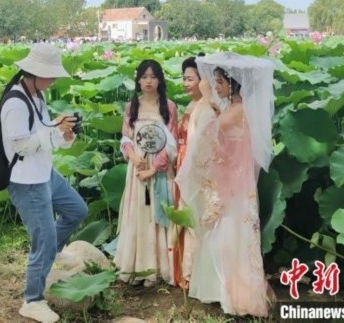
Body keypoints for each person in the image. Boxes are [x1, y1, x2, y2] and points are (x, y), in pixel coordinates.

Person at [175, 52, 275, 317]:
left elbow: (208, 134)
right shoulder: (234, 109)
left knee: (229, 236)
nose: (216, 86)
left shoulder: (237, 111)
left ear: (233, 84)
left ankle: (232, 293)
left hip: (232, 184)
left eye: (219, 82)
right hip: (232, 182)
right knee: (228, 235)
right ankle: (223, 291)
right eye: (216, 81)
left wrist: (208, 99)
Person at [1, 42, 88, 322]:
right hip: (26, 181)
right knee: (43, 239)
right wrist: (53, 131)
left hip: (44, 172)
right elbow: (21, 146)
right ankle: (32, 300)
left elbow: (43, 134)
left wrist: (63, 133)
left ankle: (52, 252)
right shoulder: (15, 103)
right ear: (34, 72)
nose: (53, 80)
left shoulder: (37, 96)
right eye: (50, 75)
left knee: (77, 210)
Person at [114, 59, 178, 287]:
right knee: (139, 212)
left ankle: (156, 270)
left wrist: (153, 169)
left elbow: (172, 143)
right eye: (144, 77)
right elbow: (125, 137)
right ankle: (136, 266)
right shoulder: (131, 107)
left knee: (156, 213)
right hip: (137, 167)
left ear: (160, 80)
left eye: (153, 76)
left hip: (158, 169)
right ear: (138, 80)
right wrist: (133, 156)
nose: (149, 81)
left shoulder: (169, 107)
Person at [172, 53, 205, 289]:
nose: (185, 83)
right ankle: (185, 269)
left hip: (194, 167)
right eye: (184, 78)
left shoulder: (206, 108)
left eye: (190, 79)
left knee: (193, 215)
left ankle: (193, 272)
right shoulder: (193, 105)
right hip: (183, 162)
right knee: (185, 215)